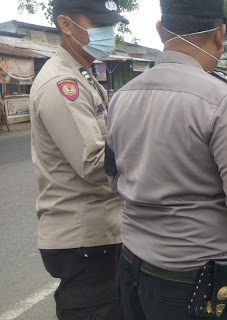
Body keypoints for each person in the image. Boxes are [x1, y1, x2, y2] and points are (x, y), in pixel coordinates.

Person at [106, 0, 227, 319]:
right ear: (220, 34)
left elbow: (114, 177)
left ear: (160, 30)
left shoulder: (123, 96)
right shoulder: (222, 100)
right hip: (192, 283)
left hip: (131, 269)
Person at [29, 0, 127, 318]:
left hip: (97, 233)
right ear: (66, 25)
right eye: (98, 23)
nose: (108, 31)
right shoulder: (62, 84)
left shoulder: (81, 74)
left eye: (110, 23)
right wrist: (144, 148)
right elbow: (92, 162)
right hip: (83, 239)